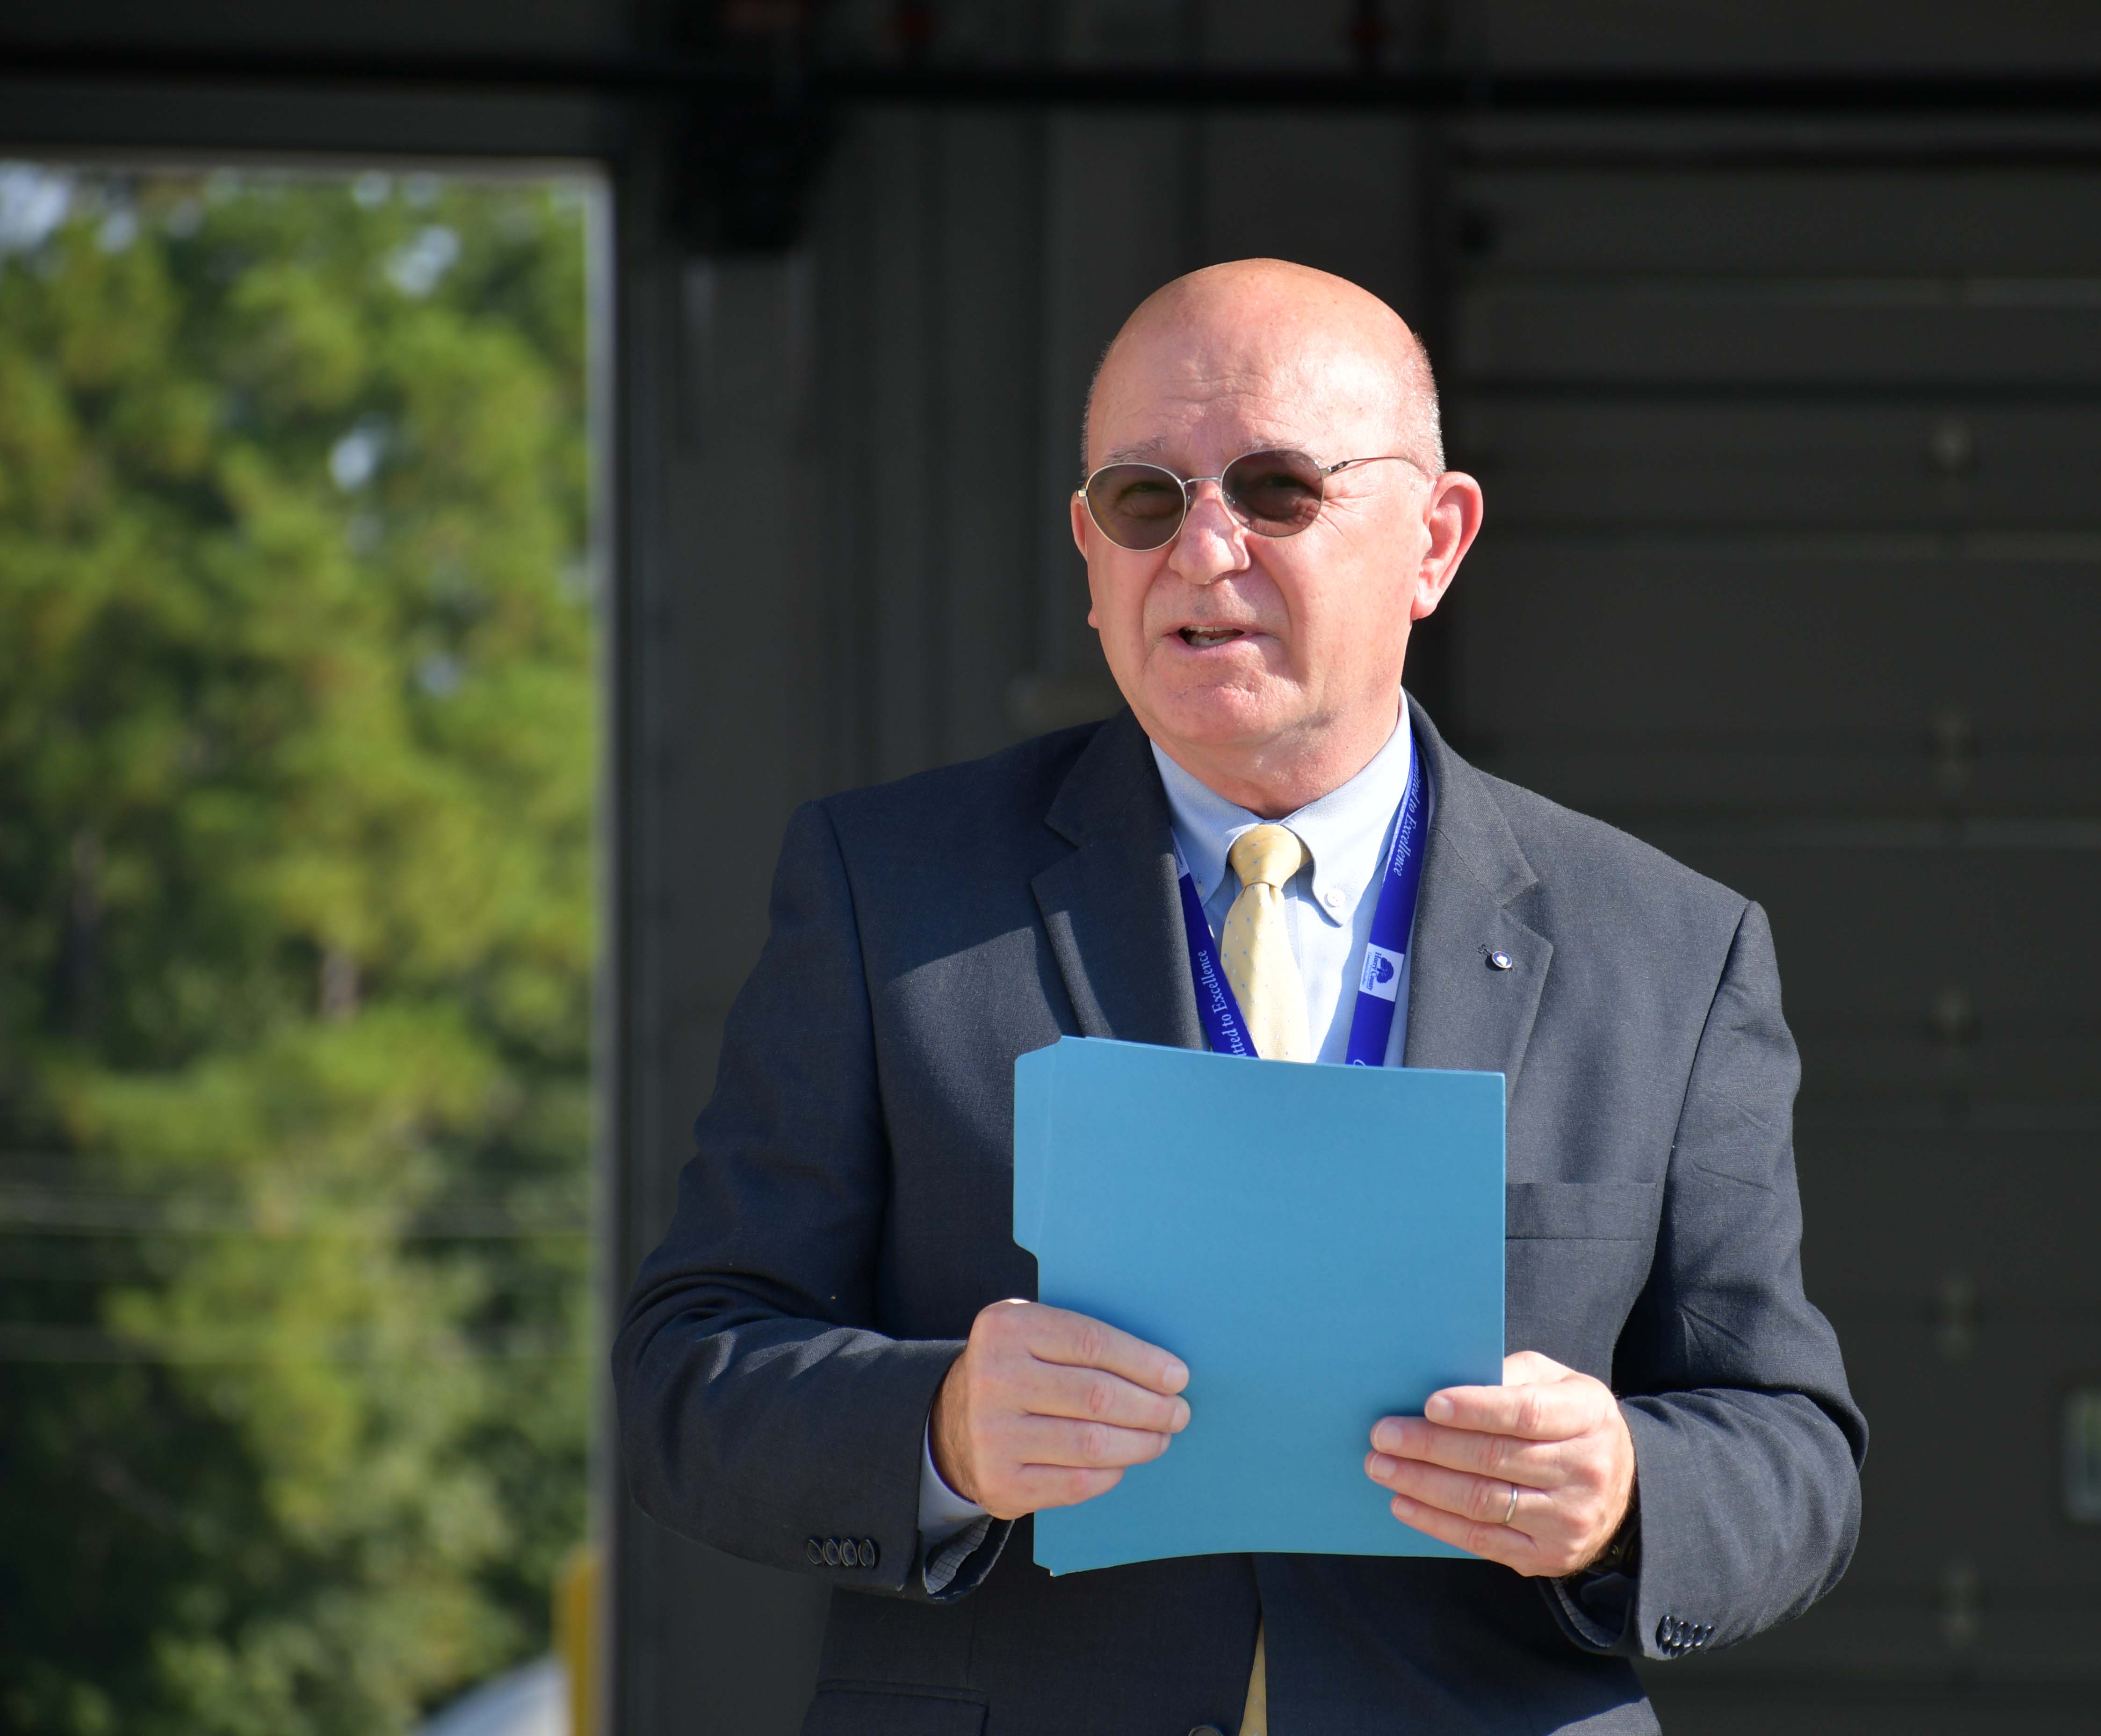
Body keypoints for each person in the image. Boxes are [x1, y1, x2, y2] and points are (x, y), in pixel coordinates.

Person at [615, 259, 1864, 1736]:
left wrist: (1622, 1492)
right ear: (1090, 554)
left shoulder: (1667, 949)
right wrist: (942, 1427)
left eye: (1276, 490)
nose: (1204, 550)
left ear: (1436, 541)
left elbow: (1794, 1449)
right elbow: (693, 1373)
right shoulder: (888, 890)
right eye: (1147, 500)